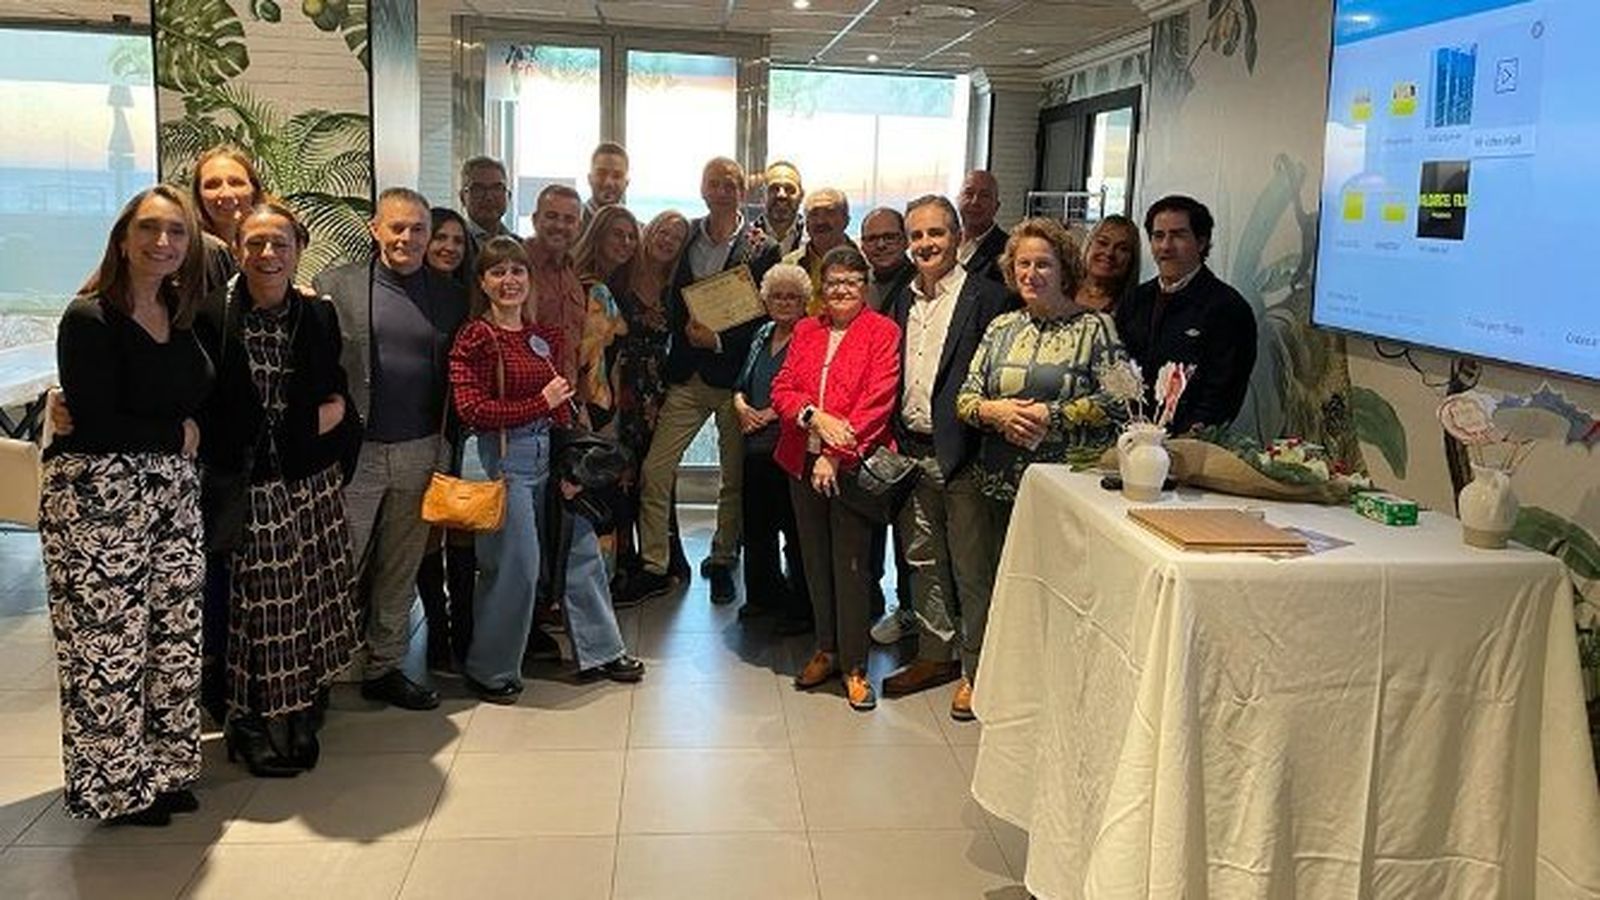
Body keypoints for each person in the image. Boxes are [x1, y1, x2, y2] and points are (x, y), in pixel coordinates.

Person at [40, 185, 212, 826]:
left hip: (171, 494)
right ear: (122, 237)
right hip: (98, 501)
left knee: (173, 638)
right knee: (107, 648)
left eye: (175, 232)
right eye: (149, 229)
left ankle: (164, 771)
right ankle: (114, 788)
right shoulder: (89, 317)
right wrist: (175, 435)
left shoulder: (179, 309)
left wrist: (183, 437)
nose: (162, 242)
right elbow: (97, 418)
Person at [194, 201, 362, 776]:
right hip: (252, 482)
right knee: (262, 607)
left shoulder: (315, 314)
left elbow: (334, 386)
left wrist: (337, 416)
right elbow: (202, 402)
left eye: (280, 244)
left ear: (298, 250)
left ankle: (300, 708)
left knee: (312, 595)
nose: (268, 255)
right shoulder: (211, 315)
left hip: (310, 479)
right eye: (256, 243)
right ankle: (249, 718)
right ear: (238, 248)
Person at [449, 237, 645, 702]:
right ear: (483, 282)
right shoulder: (475, 336)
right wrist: (539, 403)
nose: (509, 280)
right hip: (501, 462)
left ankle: (602, 650)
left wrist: (568, 465)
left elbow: (560, 406)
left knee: (580, 552)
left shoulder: (542, 336)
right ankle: (490, 667)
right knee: (516, 566)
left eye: (517, 271)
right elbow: (470, 409)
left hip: (546, 456)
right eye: (498, 272)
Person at [955, 217, 1126, 718]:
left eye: (1043, 264)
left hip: (1063, 489)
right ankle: (980, 677)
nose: (1032, 273)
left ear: (1065, 267)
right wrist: (998, 413)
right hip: (997, 483)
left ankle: (1049, 692)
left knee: (1053, 591)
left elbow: (1121, 404)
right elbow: (966, 398)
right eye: (1023, 264)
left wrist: (1049, 416)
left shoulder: (1095, 328)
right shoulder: (1001, 327)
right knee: (991, 585)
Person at [317, 187, 467, 711]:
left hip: (422, 450)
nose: (407, 238)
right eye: (397, 227)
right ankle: (318, 673)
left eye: (418, 229)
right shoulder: (335, 286)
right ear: (375, 229)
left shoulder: (449, 294)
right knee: (340, 563)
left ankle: (385, 665)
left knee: (401, 566)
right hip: (356, 452)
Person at [621, 157, 781, 606]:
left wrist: (717, 342)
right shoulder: (685, 234)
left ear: (742, 190)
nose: (723, 190)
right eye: (715, 183)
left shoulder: (760, 246)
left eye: (731, 183)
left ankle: (723, 555)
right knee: (655, 470)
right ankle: (655, 563)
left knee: (733, 478)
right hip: (686, 377)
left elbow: (763, 319)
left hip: (734, 382)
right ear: (703, 189)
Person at [878, 195, 1013, 718]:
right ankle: (935, 655)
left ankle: (977, 670)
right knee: (922, 562)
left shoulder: (991, 299)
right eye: (916, 236)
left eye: (936, 233)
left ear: (957, 236)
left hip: (964, 455)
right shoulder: (899, 299)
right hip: (909, 451)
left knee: (971, 567)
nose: (925, 244)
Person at [772, 245, 901, 712]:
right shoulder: (806, 330)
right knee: (814, 561)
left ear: (864, 286)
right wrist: (813, 417)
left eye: (850, 282)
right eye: (833, 283)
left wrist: (834, 451)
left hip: (851, 465)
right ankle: (825, 649)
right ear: (821, 290)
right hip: (800, 462)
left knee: (852, 567)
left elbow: (877, 403)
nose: (841, 290)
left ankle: (855, 665)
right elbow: (783, 388)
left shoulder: (883, 332)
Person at [1115, 195, 1257, 434]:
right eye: (1158, 236)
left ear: (1201, 242)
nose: (1166, 246)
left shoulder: (1227, 308)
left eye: (1178, 235)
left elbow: (1223, 392)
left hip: (1187, 448)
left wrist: (1186, 438)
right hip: (1129, 438)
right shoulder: (1135, 300)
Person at [609, 210, 693, 589]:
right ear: (649, 230)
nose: (666, 240)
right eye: (662, 230)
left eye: (676, 237)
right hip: (619, 381)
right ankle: (626, 561)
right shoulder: (622, 274)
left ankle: (667, 558)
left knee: (658, 473)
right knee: (623, 472)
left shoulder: (677, 284)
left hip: (659, 387)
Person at [732, 263, 812, 634]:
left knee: (795, 529)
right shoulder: (761, 333)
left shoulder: (810, 337)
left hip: (789, 443)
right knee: (756, 527)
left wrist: (767, 413)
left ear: (804, 302)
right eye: (776, 296)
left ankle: (800, 608)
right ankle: (763, 596)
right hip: (753, 444)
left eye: (791, 297)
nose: (783, 302)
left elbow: (809, 391)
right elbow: (741, 381)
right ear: (765, 300)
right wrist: (740, 406)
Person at [416, 206, 477, 673]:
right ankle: (436, 627)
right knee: (427, 532)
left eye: (458, 240)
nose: (449, 248)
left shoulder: (466, 298)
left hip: (461, 425)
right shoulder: (405, 291)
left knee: (461, 524)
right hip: (418, 425)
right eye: (441, 237)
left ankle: (464, 626)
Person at [573, 204, 641, 430]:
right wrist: (585, 409)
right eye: (618, 234)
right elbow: (586, 357)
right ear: (598, 235)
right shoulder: (594, 288)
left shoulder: (615, 285)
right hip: (590, 406)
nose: (626, 242)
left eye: (632, 236)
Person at [525, 184, 586, 386]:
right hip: (525, 399)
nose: (560, 225)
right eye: (551, 216)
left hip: (566, 397)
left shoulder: (574, 275)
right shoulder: (516, 268)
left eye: (569, 219)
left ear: (579, 226)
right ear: (535, 220)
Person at [780, 188, 853, 314]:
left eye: (829, 213)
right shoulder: (788, 265)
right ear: (806, 223)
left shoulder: (865, 264)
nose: (820, 221)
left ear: (846, 220)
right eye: (814, 214)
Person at [1075, 214, 1141, 313]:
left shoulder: (1137, 309)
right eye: (1103, 243)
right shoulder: (1059, 291)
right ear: (1088, 245)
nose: (1109, 253)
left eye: (1122, 249)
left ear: (1132, 259)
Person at [957, 170, 1008, 284]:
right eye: (969, 194)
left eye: (984, 196)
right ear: (958, 200)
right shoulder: (946, 242)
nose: (975, 202)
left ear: (997, 206)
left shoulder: (1008, 251)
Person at [860, 206, 914, 313]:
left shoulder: (922, 283)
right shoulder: (857, 286)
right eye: (872, 239)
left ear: (906, 241)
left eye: (890, 237)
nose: (881, 245)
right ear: (863, 246)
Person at [459, 155, 517, 243]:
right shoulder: (455, 245)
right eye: (478, 189)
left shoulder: (521, 248)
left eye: (497, 189)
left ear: (508, 196)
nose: (488, 197)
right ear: (462, 197)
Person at [753, 160, 805, 254]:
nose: (781, 195)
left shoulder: (814, 239)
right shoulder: (745, 241)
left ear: (801, 196)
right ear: (762, 195)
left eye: (789, 189)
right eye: (774, 188)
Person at [582, 141, 630, 231]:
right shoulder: (573, 225)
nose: (608, 182)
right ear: (589, 178)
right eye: (601, 173)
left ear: (626, 183)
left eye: (617, 176)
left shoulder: (635, 232)